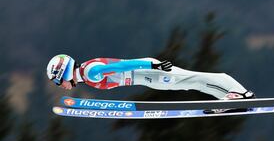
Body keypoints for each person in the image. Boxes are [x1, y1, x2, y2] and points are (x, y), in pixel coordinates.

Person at [46, 54, 255, 100]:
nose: (59, 85)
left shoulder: (89, 71)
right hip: (147, 76)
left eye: (57, 80)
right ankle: (232, 96)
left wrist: (152, 64)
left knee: (194, 79)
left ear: (62, 72)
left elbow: (122, 65)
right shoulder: (85, 75)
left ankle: (238, 93)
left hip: (149, 73)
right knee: (193, 83)